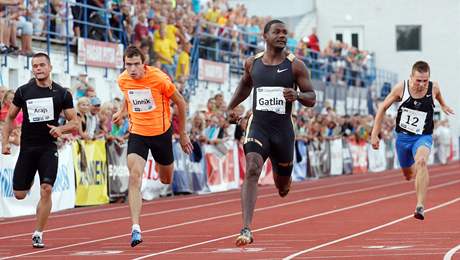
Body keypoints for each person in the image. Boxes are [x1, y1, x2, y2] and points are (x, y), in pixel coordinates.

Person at [226, 20, 316, 247]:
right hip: (258, 126)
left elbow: (312, 97)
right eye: (277, 32)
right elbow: (246, 85)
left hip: (283, 132)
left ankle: (284, 181)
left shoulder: (296, 66)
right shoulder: (252, 63)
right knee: (253, 167)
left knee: (282, 186)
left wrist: (297, 96)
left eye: (285, 32)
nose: (282, 36)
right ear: (265, 36)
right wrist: (230, 107)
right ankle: (246, 227)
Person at [113, 45, 193, 247]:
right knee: (134, 176)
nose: (132, 69)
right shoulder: (123, 79)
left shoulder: (159, 78)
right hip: (138, 133)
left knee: (166, 179)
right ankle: (135, 228)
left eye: (136, 64)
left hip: (161, 134)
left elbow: (180, 103)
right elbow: (128, 94)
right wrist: (123, 112)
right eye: (128, 64)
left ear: (144, 63)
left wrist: (182, 134)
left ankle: (160, 162)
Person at [1, 52, 78, 248]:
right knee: (19, 194)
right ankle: (30, 187)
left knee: (46, 189)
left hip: (48, 148)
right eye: (35, 66)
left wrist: (60, 129)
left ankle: (38, 232)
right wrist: (5, 143)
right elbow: (10, 118)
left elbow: (75, 122)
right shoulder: (23, 91)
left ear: (50, 67)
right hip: (27, 148)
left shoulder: (62, 93)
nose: (38, 69)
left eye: (42, 65)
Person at [371, 61, 454, 220]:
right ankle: (416, 174)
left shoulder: (433, 87)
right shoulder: (401, 88)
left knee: (422, 161)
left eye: (425, 80)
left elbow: (439, 96)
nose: (422, 84)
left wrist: (443, 105)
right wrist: (375, 134)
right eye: (418, 80)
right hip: (402, 138)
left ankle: (420, 206)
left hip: (423, 136)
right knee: (408, 175)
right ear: (411, 77)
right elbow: (382, 107)